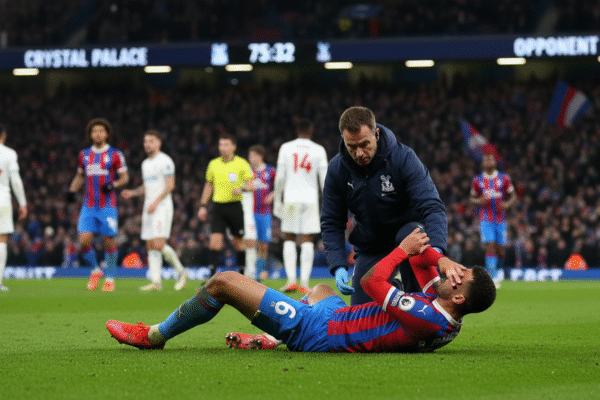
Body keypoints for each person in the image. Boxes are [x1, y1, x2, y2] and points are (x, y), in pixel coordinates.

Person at [106, 228, 496, 353]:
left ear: (458, 297)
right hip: (336, 317)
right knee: (321, 287)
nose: (453, 274)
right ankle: (270, 338)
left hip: (320, 332)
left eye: (459, 278)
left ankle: (154, 336)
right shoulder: (446, 312)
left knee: (223, 281)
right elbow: (422, 263)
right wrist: (444, 260)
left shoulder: (426, 316)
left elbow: (372, 281)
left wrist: (402, 249)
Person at [321, 106, 449, 305]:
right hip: (372, 244)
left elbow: (432, 206)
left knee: (420, 308)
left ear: (377, 134)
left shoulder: (403, 158)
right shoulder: (337, 169)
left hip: (409, 237)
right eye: (351, 146)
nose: (359, 153)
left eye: (364, 144)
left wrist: (437, 251)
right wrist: (337, 265)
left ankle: (415, 295)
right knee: (362, 314)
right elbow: (331, 221)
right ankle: (394, 289)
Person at [121, 130, 187, 291]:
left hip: (162, 207)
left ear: (159, 143)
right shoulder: (145, 163)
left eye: (151, 141)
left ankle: (181, 272)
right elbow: (147, 186)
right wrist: (133, 192)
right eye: (145, 141)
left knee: (158, 243)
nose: (147, 144)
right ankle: (156, 282)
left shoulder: (165, 161)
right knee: (150, 245)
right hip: (149, 207)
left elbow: (170, 185)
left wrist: (156, 202)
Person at [67, 118, 129, 292]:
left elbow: (125, 177)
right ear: (90, 135)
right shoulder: (84, 155)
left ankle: (110, 278)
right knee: (83, 241)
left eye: (101, 131)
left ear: (107, 134)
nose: (98, 134)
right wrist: (72, 190)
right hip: (88, 205)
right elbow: (80, 175)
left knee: (109, 241)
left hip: (107, 205)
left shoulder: (115, 154)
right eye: (94, 131)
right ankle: (95, 271)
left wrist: (113, 185)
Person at [273, 119, 328, 292]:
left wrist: (277, 199)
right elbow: (324, 179)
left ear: (297, 132)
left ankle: (291, 281)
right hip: (310, 199)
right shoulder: (319, 149)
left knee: (289, 237)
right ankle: (304, 283)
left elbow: (280, 177)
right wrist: (327, 201)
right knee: (307, 239)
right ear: (311, 132)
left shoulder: (286, 148)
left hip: (291, 197)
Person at [197, 134, 254, 278]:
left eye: (226, 145)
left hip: (235, 207)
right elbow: (209, 185)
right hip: (218, 208)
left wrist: (241, 189)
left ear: (234, 147)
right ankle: (211, 278)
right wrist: (203, 205)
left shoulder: (242, 163)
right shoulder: (213, 164)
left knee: (238, 243)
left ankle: (242, 276)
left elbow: (251, 185)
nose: (222, 148)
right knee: (214, 243)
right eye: (221, 145)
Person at [470, 151, 517, 288]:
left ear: (495, 162)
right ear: (483, 163)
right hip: (486, 219)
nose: (489, 161)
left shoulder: (504, 178)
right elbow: (472, 198)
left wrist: (508, 204)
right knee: (490, 245)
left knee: (500, 250)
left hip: (500, 219)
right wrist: (478, 201)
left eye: (491, 159)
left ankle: (498, 270)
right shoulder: (478, 180)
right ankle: (493, 277)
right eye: (486, 160)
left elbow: (513, 196)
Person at [0, 124, 27, 291]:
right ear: (4, 136)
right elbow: (15, 181)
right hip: (2, 198)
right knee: (1, 239)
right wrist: (22, 203)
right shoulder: (9, 153)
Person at [247, 144, 276, 280]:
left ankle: (259, 272)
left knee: (263, 244)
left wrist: (272, 195)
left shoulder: (271, 171)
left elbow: (280, 185)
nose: (250, 158)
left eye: (252, 156)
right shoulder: (247, 171)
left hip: (265, 213)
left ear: (260, 156)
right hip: (250, 213)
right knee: (251, 242)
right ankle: (251, 271)